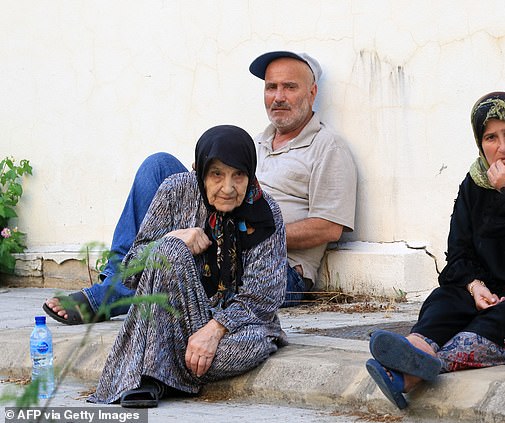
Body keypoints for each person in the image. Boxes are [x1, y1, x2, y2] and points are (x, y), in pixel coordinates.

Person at [42, 50, 357, 323]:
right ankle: (116, 278)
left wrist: (245, 234)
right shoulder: (253, 143)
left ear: (312, 93)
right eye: (271, 87)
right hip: (216, 241)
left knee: (178, 253)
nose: (278, 97)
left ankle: (109, 296)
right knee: (159, 165)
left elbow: (329, 228)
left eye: (290, 87)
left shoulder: (328, 147)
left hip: (275, 270)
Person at [365, 91, 505, 409]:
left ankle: (412, 371)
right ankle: (415, 347)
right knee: (445, 299)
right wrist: (476, 286)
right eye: (491, 137)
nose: (502, 147)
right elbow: (458, 253)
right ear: (480, 142)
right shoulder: (474, 184)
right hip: (496, 294)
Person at [87, 124, 287, 408]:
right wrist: (173, 238)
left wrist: (215, 329)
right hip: (173, 318)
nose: (227, 188)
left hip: (233, 327)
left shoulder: (267, 213)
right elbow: (131, 271)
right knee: (167, 248)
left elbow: (263, 297)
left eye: (238, 175)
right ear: (201, 171)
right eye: (217, 174)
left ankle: (158, 368)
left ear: (250, 174)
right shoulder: (174, 191)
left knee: (251, 344)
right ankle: (159, 373)